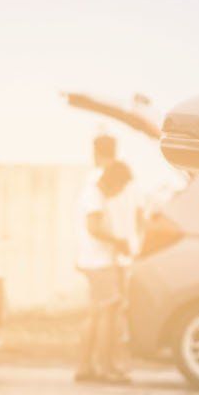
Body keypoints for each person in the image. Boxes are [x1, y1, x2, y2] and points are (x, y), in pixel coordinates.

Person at [75, 145, 141, 383]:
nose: (120, 192)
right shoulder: (94, 195)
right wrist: (118, 242)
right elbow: (93, 228)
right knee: (108, 313)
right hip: (99, 262)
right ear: (114, 182)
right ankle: (104, 368)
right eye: (121, 187)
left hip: (93, 260)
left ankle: (85, 367)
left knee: (95, 314)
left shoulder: (94, 194)